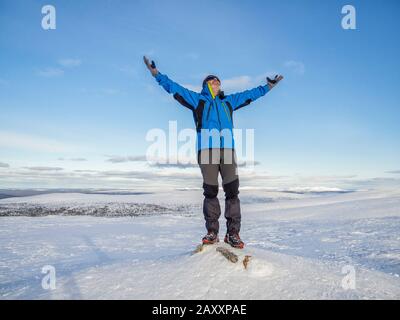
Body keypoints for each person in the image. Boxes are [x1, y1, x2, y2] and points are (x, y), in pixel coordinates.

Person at [144, 56, 283, 249]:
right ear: (206, 85)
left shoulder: (229, 101)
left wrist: (268, 87)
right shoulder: (198, 100)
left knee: (232, 192)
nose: (217, 82)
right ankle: (212, 232)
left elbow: (250, 94)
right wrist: (156, 74)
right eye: (213, 80)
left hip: (227, 150)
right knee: (210, 192)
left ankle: (233, 234)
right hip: (206, 151)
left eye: (218, 81)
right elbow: (174, 88)